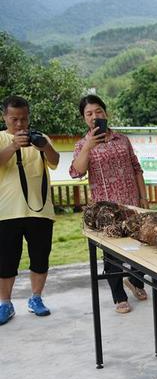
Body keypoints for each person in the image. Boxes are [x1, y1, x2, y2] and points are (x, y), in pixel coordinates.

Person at [71, 94, 148, 314]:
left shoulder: (122, 139)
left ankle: (136, 282)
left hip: (132, 204)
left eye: (98, 112)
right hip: (106, 211)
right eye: (89, 114)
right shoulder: (81, 145)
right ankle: (119, 296)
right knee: (112, 254)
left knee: (139, 248)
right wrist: (88, 146)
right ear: (84, 119)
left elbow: (136, 168)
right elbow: (77, 171)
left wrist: (143, 198)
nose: (95, 116)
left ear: (106, 113)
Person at [0, 96, 60, 324]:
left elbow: (54, 160)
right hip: (6, 212)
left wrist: (44, 146)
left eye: (23, 119)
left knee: (40, 258)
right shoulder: (0, 138)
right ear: (4, 117)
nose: (19, 124)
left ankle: (36, 298)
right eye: (14, 119)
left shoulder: (40, 138)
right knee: (5, 262)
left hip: (40, 211)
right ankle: (5, 303)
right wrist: (13, 145)